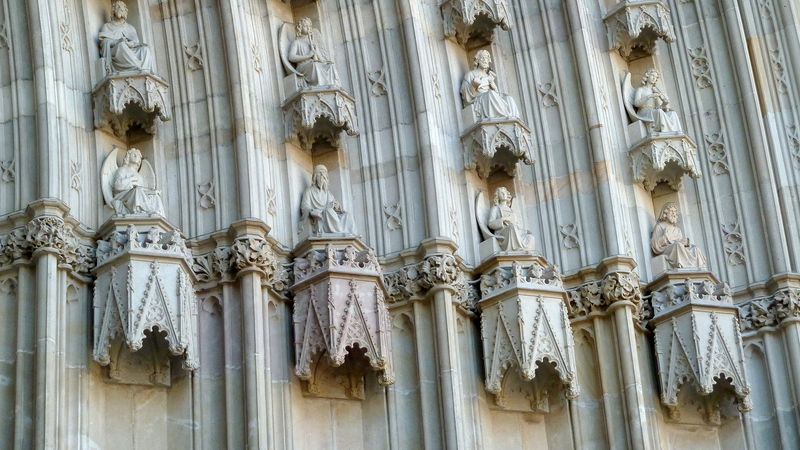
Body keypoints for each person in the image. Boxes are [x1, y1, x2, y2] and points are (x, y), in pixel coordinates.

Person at [99, 1, 155, 75]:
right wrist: (117, 42)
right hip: (116, 52)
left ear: (125, 11)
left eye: (122, 7)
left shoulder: (130, 28)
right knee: (121, 45)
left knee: (145, 50)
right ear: (113, 11)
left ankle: (144, 71)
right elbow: (104, 43)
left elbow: (136, 43)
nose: (121, 9)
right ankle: (138, 67)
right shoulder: (107, 26)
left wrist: (129, 44)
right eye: (118, 7)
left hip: (130, 50)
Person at [461, 50, 520, 120]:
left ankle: (512, 119)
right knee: (490, 94)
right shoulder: (470, 74)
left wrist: (494, 87)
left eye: (487, 58)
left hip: (489, 97)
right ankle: (505, 116)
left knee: (509, 98)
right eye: (482, 58)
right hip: (479, 99)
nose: (485, 61)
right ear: (477, 60)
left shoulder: (488, 76)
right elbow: (466, 96)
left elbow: (497, 94)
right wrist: (473, 86)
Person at [301, 165, 356, 235]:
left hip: (330, 216)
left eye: (324, 177)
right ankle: (340, 232)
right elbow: (305, 207)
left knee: (347, 215)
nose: (322, 179)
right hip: (320, 216)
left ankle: (349, 234)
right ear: (315, 177)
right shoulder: (309, 191)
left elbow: (334, 206)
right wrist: (312, 211)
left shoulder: (328, 193)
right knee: (328, 211)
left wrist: (337, 207)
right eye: (320, 176)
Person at [651, 202, 707, 269]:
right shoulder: (660, 226)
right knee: (677, 245)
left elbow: (680, 242)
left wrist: (685, 243)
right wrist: (665, 238)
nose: (674, 214)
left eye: (675, 212)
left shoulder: (677, 229)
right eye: (671, 211)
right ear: (665, 213)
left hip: (677, 247)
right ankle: (683, 266)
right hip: (666, 249)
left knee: (695, 249)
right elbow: (655, 246)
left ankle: (698, 269)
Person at [287, 17, 339, 87]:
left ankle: (331, 86)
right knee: (315, 65)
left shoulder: (312, 42)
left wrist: (323, 61)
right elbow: (291, 57)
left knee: (330, 66)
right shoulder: (297, 42)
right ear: (300, 28)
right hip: (302, 66)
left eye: (309, 26)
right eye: (305, 26)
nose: (308, 28)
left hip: (313, 63)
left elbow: (319, 59)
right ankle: (320, 87)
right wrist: (308, 56)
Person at [111, 149, 164, 215]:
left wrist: (153, 192)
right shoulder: (122, 170)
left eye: (138, 156)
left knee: (156, 197)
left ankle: (157, 215)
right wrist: (130, 180)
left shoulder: (139, 177)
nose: (137, 156)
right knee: (137, 190)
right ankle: (148, 211)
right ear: (128, 157)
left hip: (135, 193)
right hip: (123, 196)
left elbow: (143, 192)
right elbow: (117, 186)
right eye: (134, 154)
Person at [633, 69, 682, 133]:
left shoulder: (655, 90)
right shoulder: (641, 89)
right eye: (652, 75)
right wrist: (649, 96)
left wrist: (664, 101)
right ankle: (666, 132)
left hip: (654, 112)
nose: (654, 78)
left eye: (655, 77)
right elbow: (636, 103)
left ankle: (675, 133)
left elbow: (659, 107)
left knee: (672, 114)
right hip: (644, 112)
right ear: (647, 76)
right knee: (659, 112)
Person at [487, 187, 534, 252]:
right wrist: (503, 219)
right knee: (512, 228)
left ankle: (522, 249)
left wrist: (525, 231)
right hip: (502, 233)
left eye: (505, 193)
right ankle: (517, 249)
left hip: (514, 231)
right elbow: (490, 223)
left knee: (530, 237)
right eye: (501, 193)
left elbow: (517, 226)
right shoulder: (495, 209)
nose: (504, 194)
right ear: (497, 196)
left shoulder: (511, 210)